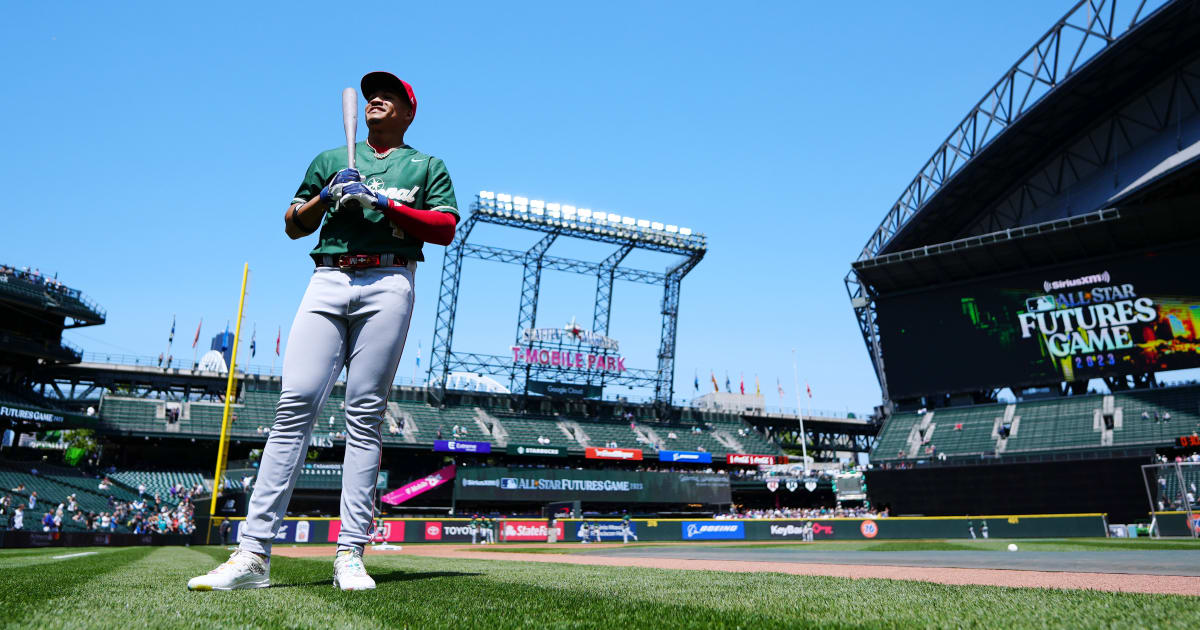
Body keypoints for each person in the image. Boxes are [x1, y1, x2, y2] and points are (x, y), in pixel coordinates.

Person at [188, 71, 458, 593]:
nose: (377, 99)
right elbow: (293, 223)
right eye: (373, 94)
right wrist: (329, 196)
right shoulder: (331, 159)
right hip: (328, 277)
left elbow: (445, 227)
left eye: (391, 96)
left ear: (408, 111)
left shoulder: (426, 165)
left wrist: (382, 203)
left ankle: (351, 554)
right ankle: (253, 554)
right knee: (295, 404)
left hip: (389, 278)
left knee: (364, 414)